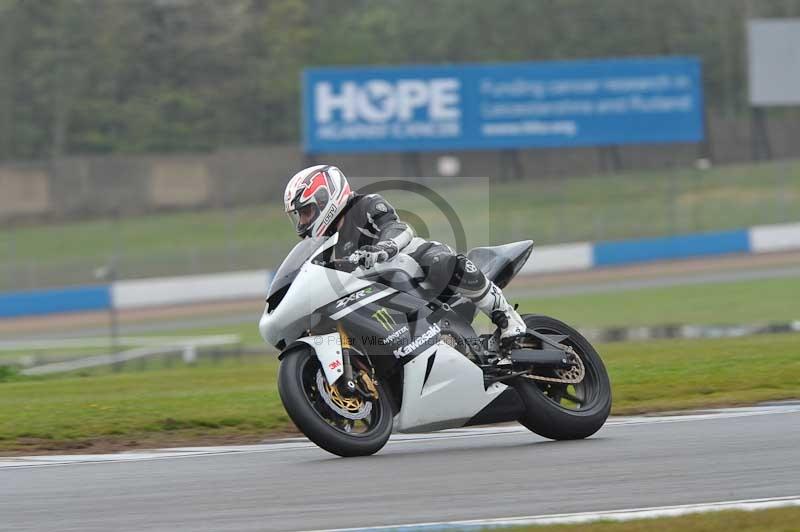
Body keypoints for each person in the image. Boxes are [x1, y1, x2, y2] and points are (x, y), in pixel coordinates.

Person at [283, 164, 527, 345]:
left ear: (326, 197)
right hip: (376, 297)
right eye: (300, 215)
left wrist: (383, 248)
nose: (303, 221)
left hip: (411, 265)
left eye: (306, 212)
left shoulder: (366, 205)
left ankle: (507, 318)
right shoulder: (324, 244)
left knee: (442, 262)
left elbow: (398, 228)